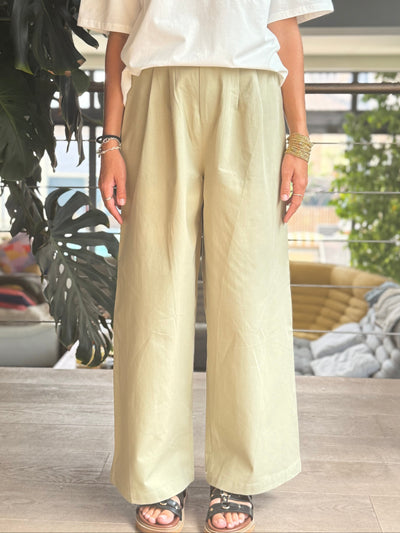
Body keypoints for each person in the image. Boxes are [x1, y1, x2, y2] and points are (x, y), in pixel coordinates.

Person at [78, 2, 333, 532]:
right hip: (156, 95)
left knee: (250, 293)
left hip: (252, 96)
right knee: (153, 294)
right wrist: (110, 142)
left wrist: (299, 142)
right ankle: (155, 473)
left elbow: (283, 26)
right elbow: (121, 35)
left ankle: (239, 471)